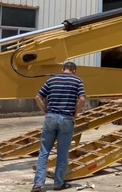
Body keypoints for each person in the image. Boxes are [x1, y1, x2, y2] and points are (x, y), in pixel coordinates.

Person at [31, 61, 86, 192]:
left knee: (44, 152)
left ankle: (38, 184)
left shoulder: (52, 80)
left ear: (62, 69)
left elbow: (38, 97)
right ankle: (58, 184)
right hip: (67, 118)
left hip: (50, 117)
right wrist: (75, 114)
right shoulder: (78, 81)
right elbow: (82, 99)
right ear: (75, 71)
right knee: (62, 153)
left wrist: (45, 111)